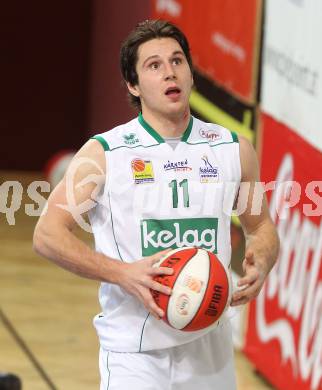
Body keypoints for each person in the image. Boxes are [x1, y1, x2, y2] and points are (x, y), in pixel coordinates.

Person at [33, 19, 279, 389]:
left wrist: (262, 258)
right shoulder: (104, 153)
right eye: (154, 65)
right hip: (135, 353)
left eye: (178, 61)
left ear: (191, 74)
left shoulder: (233, 148)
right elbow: (47, 235)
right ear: (133, 85)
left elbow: (260, 227)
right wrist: (123, 273)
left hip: (209, 349)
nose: (170, 73)